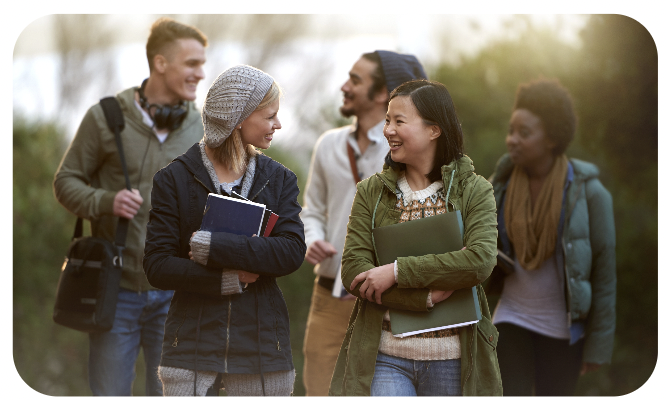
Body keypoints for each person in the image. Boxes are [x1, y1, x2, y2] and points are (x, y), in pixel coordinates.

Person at [53, 17, 207, 396]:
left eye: (202, 64)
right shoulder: (106, 117)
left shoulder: (201, 127)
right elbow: (65, 181)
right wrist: (105, 201)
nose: (201, 74)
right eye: (192, 64)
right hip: (115, 291)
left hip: (176, 293)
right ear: (160, 63)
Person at [328, 80, 502, 396]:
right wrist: (425, 297)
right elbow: (354, 271)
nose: (387, 130)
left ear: (433, 130)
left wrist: (394, 272)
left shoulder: (475, 190)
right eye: (387, 120)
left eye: (399, 121)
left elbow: (479, 260)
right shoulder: (371, 192)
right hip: (385, 358)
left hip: (455, 361)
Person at [143, 65, 306, 396]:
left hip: (261, 353)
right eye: (270, 116)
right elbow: (157, 265)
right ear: (240, 118)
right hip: (189, 349)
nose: (278, 124)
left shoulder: (279, 179)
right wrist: (226, 280)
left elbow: (291, 252)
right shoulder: (172, 180)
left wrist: (214, 247)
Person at [300, 50, 427, 395]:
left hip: (384, 301)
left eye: (356, 80)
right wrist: (312, 238)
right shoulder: (328, 144)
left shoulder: (406, 151)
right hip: (328, 295)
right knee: (320, 389)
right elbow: (312, 208)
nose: (344, 86)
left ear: (384, 92)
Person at [485, 78, 616, 396]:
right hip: (510, 317)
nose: (512, 140)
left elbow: (604, 274)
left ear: (552, 139)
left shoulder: (590, 194)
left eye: (524, 133)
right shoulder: (499, 185)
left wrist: (598, 345)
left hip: (562, 330)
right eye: (511, 131)